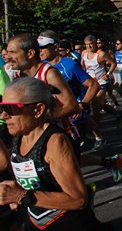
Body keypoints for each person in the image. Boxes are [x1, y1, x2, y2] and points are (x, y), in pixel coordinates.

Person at [0, 77, 112, 230]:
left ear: (38, 110)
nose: (4, 115)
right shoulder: (19, 136)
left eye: (11, 109)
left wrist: (22, 196)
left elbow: (78, 199)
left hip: (67, 224)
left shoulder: (55, 142)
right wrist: (15, 193)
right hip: (35, 222)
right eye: (2, 108)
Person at [40, 32, 122, 183]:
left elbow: (93, 85)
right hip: (51, 117)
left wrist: (82, 105)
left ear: (55, 47)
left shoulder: (69, 65)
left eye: (43, 47)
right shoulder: (42, 67)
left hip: (71, 116)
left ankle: (78, 192)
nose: (40, 51)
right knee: (66, 158)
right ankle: (107, 162)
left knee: (67, 158)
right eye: (38, 47)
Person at [82, 35, 121, 150]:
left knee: (95, 105)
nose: (89, 46)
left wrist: (107, 74)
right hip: (90, 84)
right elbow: (82, 66)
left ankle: (96, 132)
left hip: (101, 83)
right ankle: (117, 114)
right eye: (87, 44)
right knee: (99, 105)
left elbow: (113, 63)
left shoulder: (101, 54)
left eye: (91, 44)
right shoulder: (84, 54)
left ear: (95, 43)